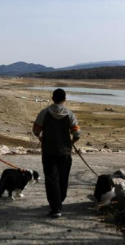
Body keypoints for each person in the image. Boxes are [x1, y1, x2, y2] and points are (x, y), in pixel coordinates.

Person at [33, 88, 81, 218]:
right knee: (63, 178)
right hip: (65, 153)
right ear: (64, 99)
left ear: (52, 98)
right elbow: (77, 133)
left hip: (49, 152)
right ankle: (59, 201)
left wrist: (41, 137)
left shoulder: (44, 112)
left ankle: (55, 207)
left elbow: (36, 130)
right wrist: (71, 143)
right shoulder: (70, 114)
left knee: (51, 179)